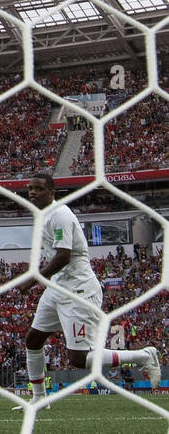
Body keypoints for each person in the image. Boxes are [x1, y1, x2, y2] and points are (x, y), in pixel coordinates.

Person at [12, 174, 160, 409]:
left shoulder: (59, 214)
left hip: (78, 291)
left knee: (78, 360)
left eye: (38, 189)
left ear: (52, 193)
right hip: (58, 287)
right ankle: (39, 398)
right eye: (30, 188)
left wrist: (34, 279)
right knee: (33, 339)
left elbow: (64, 255)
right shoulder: (42, 215)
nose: (32, 192)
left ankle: (143, 356)